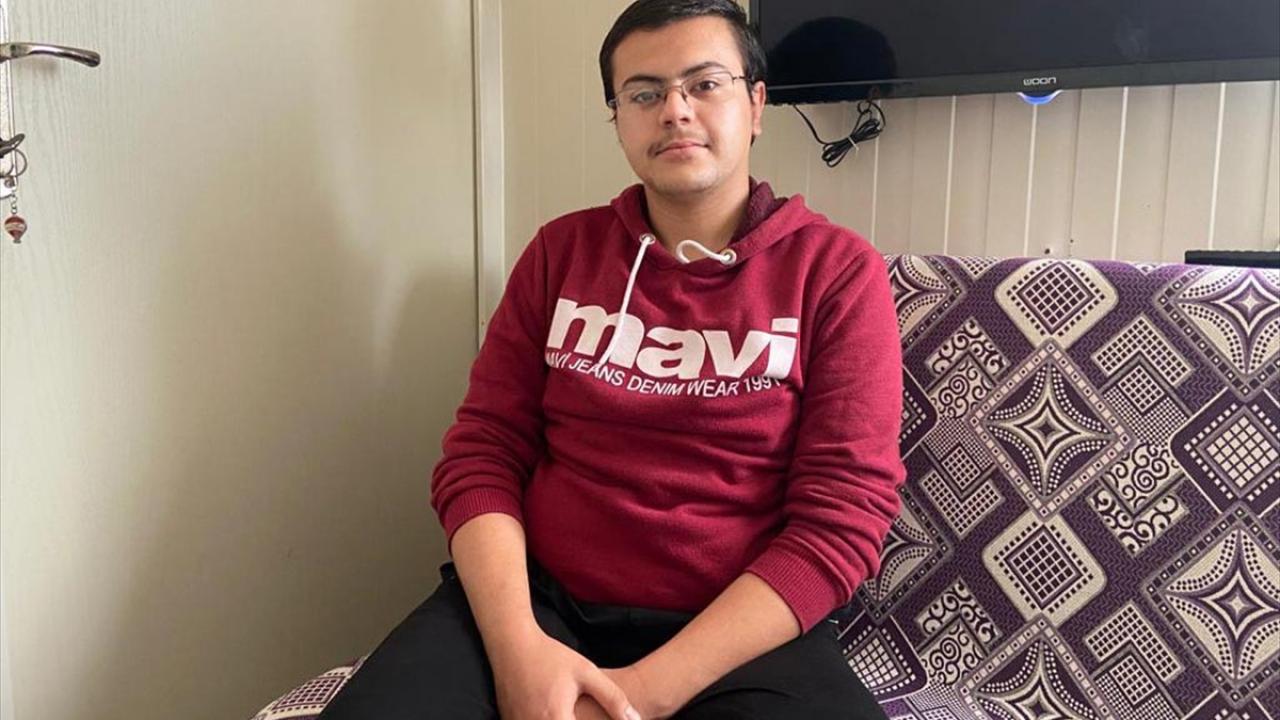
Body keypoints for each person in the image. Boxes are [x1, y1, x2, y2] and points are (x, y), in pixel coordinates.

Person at [317, 1, 904, 717]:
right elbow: (482, 456)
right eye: (644, 94)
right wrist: (519, 652)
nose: (675, 111)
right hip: (538, 605)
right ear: (618, 120)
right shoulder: (559, 253)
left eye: (704, 84)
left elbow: (842, 519)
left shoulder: (836, 272)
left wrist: (631, 698)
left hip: (739, 634)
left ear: (755, 105)